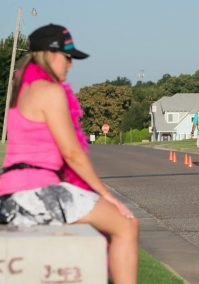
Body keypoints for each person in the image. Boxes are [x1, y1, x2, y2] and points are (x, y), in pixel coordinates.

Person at [0, 24, 139, 284]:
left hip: (10, 193)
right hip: (39, 194)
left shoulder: (22, 91)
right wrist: (107, 196)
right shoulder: (50, 92)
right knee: (126, 224)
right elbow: (72, 154)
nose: (70, 65)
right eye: (68, 57)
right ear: (50, 55)